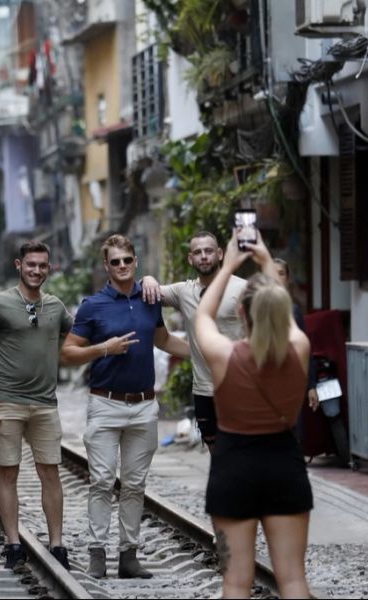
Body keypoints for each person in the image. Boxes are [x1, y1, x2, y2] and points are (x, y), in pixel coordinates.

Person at [60, 234, 190, 580]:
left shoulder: (149, 299)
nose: (121, 266)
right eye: (114, 261)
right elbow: (67, 352)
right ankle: (97, 554)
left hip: (144, 406)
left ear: (136, 262)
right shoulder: (93, 305)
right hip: (105, 403)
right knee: (102, 480)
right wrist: (103, 349)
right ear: (106, 265)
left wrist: (204, 351)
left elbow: (161, 339)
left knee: (134, 484)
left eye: (126, 260)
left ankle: (129, 556)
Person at [195, 231, 313, 599]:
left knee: (235, 582)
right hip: (284, 465)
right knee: (293, 580)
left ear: (241, 313)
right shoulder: (299, 348)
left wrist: (228, 263)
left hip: (233, 468)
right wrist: (264, 259)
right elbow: (282, 310)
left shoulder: (224, 356)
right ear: (281, 313)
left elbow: (202, 315)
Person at [0, 241, 74, 572]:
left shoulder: (56, 308)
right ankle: (13, 544)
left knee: (50, 472)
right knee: (8, 472)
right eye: (31, 265)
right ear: (19, 265)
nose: (37, 271)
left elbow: (77, 340)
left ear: (49, 268)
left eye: (43, 265)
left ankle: (57, 544)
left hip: (45, 404)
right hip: (6, 403)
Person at [140, 231, 246, 452]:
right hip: (204, 390)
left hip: (239, 386)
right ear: (190, 259)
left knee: (242, 451)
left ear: (220, 254)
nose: (204, 256)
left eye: (208, 251)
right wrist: (148, 279)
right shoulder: (183, 291)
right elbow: (147, 291)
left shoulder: (243, 288)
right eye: (198, 252)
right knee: (216, 453)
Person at [273, 258, 319, 413]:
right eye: (272, 273)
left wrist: (311, 386)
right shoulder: (257, 310)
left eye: (281, 274)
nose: (276, 278)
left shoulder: (294, 311)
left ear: (287, 279)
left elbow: (305, 351)